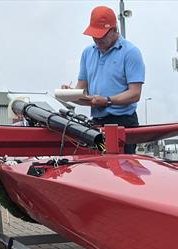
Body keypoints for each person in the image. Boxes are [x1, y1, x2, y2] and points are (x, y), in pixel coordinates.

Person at [64, 5, 145, 153]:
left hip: (123, 124)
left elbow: (135, 93)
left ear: (114, 30)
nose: (97, 39)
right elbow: (81, 89)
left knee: (123, 167)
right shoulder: (88, 53)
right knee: (101, 166)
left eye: (101, 36)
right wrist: (69, 94)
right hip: (97, 125)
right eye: (94, 35)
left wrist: (107, 100)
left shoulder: (130, 52)